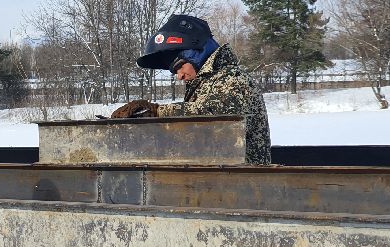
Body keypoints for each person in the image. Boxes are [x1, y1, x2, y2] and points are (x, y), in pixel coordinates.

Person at [110, 14, 271, 165]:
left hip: (247, 181)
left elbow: (213, 115)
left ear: (196, 53)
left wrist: (156, 111)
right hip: (225, 179)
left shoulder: (232, 79)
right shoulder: (208, 82)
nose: (179, 76)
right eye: (174, 71)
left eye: (179, 66)